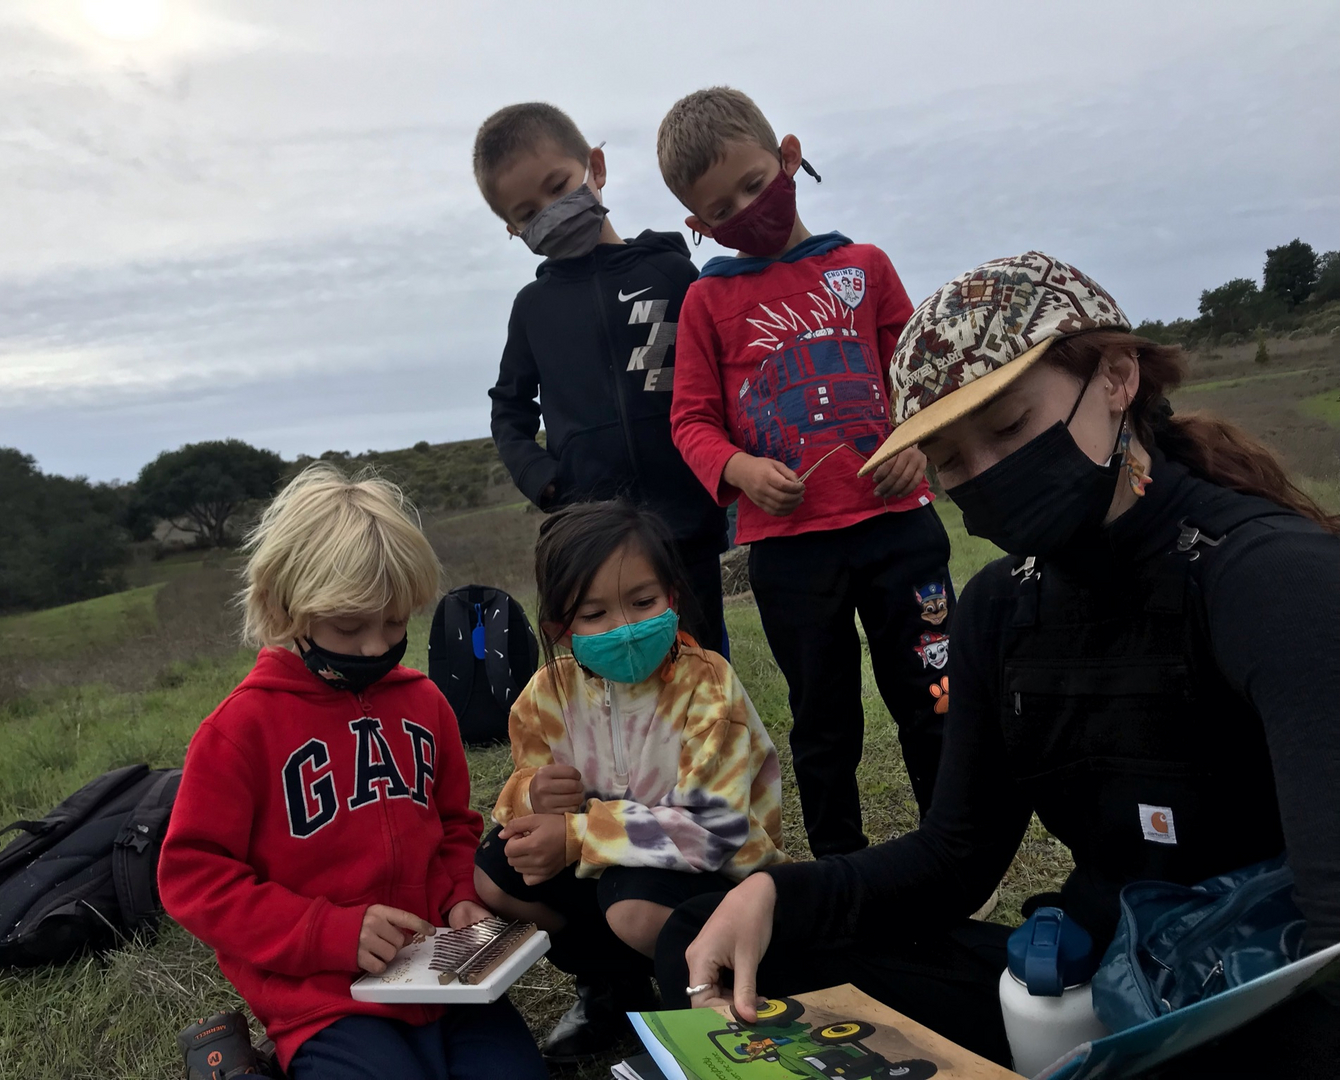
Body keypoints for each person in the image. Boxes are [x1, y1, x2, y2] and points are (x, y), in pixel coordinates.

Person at [658, 252, 1340, 1076]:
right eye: (948, 459)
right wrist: (776, 894)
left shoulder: (1268, 578)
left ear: (1117, 377)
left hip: (1271, 989)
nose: (985, 475)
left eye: (1009, 428)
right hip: (1093, 978)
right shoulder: (998, 608)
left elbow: (1331, 920)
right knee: (711, 947)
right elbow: (955, 858)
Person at [157, 465, 546, 1080]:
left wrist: (461, 899)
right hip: (324, 1001)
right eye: (347, 626)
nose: (374, 647)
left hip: (446, 980)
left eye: (394, 623)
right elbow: (194, 879)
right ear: (286, 607)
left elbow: (451, 827)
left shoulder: (425, 703)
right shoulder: (239, 731)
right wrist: (326, 932)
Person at [656, 86, 954, 858]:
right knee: (823, 721)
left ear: (788, 158)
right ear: (698, 224)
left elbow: (917, 381)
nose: (745, 210)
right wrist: (740, 469)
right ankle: (838, 872)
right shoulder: (705, 301)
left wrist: (916, 444)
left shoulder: (865, 266)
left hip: (900, 530)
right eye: (721, 208)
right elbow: (689, 419)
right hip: (791, 553)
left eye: (754, 184)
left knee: (933, 704)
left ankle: (953, 854)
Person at [475, 500, 787, 1061]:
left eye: (642, 602)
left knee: (631, 902)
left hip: (720, 881)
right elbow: (519, 788)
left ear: (671, 594)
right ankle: (612, 988)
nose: (624, 629)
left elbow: (714, 830)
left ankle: (696, 1001)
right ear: (560, 629)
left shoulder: (707, 684)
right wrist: (529, 795)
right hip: (613, 872)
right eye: (593, 614)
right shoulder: (545, 696)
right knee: (497, 871)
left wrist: (575, 836)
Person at [474, 102, 731, 655]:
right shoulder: (532, 309)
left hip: (689, 525)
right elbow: (508, 412)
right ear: (513, 228)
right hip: (595, 543)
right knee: (620, 690)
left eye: (558, 184)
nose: (550, 209)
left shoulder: (672, 273)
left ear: (595, 166)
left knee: (707, 674)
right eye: (527, 209)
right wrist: (548, 483)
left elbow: (723, 375)